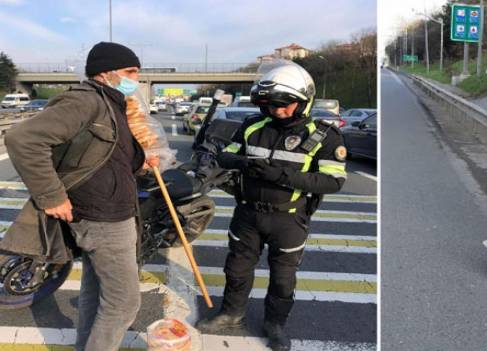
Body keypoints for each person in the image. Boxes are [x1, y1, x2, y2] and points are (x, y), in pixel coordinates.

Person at [4, 41, 158, 351]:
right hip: (102, 218)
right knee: (124, 304)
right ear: (106, 72)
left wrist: (140, 162)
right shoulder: (86, 102)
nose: (136, 79)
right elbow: (23, 139)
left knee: (96, 294)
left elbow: (103, 156)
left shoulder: (113, 103)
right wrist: (51, 196)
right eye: (131, 71)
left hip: (113, 212)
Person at [195, 61, 347, 351]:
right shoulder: (253, 126)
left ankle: (275, 325)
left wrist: (280, 174)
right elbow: (226, 156)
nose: (277, 111)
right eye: (270, 104)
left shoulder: (324, 136)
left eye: (285, 104)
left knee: (283, 279)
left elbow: (333, 181)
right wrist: (244, 163)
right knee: (236, 270)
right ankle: (231, 313)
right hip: (247, 214)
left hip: (288, 220)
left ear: (304, 100)